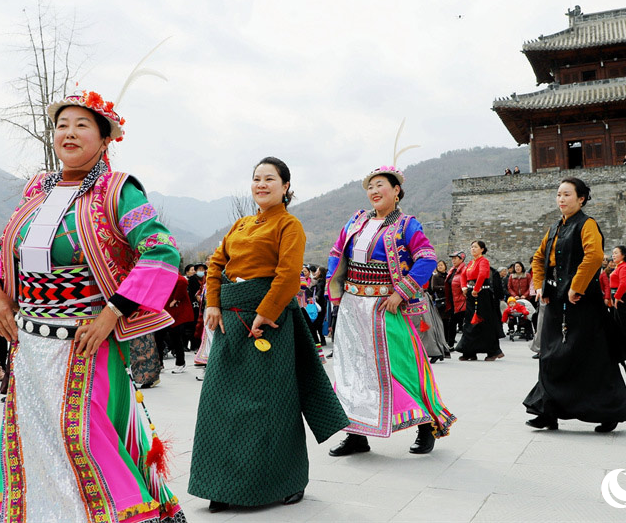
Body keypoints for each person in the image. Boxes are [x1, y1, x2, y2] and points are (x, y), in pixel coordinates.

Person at [0, 90, 185, 522]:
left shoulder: (119, 190)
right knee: (31, 433)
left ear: (105, 138)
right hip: (29, 342)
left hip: (87, 340)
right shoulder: (38, 187)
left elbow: (160, 252)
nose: (68, 133)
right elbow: (3, 247)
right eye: (61, 125)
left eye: (81, 125)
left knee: (83, 439)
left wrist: (112, 311)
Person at [188, 157, 347, 511]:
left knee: (271, 405)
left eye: (270, 179)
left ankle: (286, 481)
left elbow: (289, 275)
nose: (261, 184)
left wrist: (264, 313)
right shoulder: (240, 224)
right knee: (220, 405)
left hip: (268, 325)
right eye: (257, 178)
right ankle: (222, 483)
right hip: (230, 323)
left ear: (285, 186)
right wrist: (212, 303)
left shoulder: (290, 225)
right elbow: (216, 264)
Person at [327, 164, 456, 458]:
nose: (373, 191)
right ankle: (357, 434)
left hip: (386, 306)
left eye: (380, 185)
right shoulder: (356, 221)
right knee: (354, 369)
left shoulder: (407, 224)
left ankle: (427, 426)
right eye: (370, 187)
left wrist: (402, 292)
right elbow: (337, 254)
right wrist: (334, 294)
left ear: (396, 191)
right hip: (352, 305)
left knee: (402, 366)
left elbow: (426, 258)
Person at [523, 178, 626, 433]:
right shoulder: (554, 228)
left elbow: (594, 255)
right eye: (559, 195)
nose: (561, 199)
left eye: (567, 195)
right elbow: (539, 258)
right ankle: (547, 410)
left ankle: (608, 411)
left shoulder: (587, 224)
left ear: (581, 198)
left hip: (583, 304)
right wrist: (539, 285)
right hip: (554, 302)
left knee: (592, 357)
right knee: (550, 356)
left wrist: (576, 286)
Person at [455, 240, 505, 361]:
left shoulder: (484, 261)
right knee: (470, 322)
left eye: (475, 247)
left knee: (484, 322)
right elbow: (463, 275)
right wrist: (464, 287)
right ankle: (469, 351)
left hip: (482, 295)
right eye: (471, 247)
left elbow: (482, 275)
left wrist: (476, 289)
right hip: (472, 295)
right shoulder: (471, 262)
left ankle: (493, 351)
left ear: (482, 249)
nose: (473, 249)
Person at [165, 271, 195, 373]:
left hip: (175, 312)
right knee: (165, 337)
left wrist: (175, 299)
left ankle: (180, 362)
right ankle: (161, 363)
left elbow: (182, 281)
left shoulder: (175, 276)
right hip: (168, 310)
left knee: (175, 336)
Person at [443, 251, 467, 348]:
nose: (453, 260)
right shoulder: (452, 271)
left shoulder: (465, 270)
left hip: (462, 302)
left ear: (461, 259)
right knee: (451, 323)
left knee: (461, 323)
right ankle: (450, 344)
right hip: (452, 301)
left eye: (455, 258)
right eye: (452, 258)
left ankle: (462, 345)